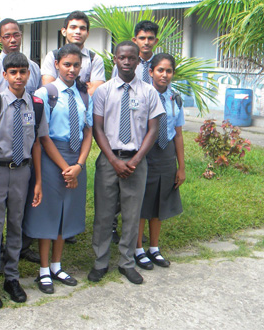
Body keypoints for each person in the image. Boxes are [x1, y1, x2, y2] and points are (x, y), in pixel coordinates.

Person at [88, 41, 164, 285]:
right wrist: (112, 160)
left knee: (132, 215)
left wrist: (136, 159)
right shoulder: (103, 91)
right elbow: (97, 127)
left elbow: (154, 129)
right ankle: (100, 262)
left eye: (132, 58)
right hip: (109, 161)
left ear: (139, 61)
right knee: (103, 214)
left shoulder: (149, 92)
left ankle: (126, 263)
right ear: (115, 59)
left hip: (136, 161)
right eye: (122, 57)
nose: (127, 62)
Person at [23, 43, 93, 294]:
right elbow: (43, 137)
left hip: (76, 159)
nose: (72, 70)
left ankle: (56, 265)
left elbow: (88, 131)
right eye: (67, 65)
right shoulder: (45, 93)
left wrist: (79, 165)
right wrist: (66, 168)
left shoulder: (84, 95)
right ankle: (43, 271)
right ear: (56, 65)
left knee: (67, 213)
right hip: (52, 160)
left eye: (76, 65)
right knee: (48, 213)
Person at [0, 52, 47, 308]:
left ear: (29, 74)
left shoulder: (37, 105)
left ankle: (12, 278)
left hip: (23, 172)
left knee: (16, 225)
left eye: (23, 72)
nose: (19, 77)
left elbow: (38, 144)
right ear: (5, 75)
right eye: (13, 72)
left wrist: (38, 180)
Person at [0, 17, 42, 264]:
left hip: (23, 152)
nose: (13, 39)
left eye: (16, 34)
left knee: (18, 213)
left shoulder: (33, 68)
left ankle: (16, 255)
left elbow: (35, 106)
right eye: (7, 35)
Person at [134, 53, 185, 270]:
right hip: (147, 152)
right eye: (160, 70)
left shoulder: (176, 98)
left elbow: (179, 133)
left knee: (160, 201)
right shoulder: (142, 94)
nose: (164, 75)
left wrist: (181, 166)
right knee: (142, 201)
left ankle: (154, 248)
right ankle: (137, 249)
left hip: (167, 154)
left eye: (169, 71)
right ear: (151, 72)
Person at [41, 10, 105, 96]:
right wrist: (84, 86)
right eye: (73, 27)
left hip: (84, 108)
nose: (78, 31)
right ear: (64, 31)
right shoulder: (52, 56)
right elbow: (49, 89)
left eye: (82, 28)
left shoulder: (94, 59)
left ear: (87, 33)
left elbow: (95, 91)